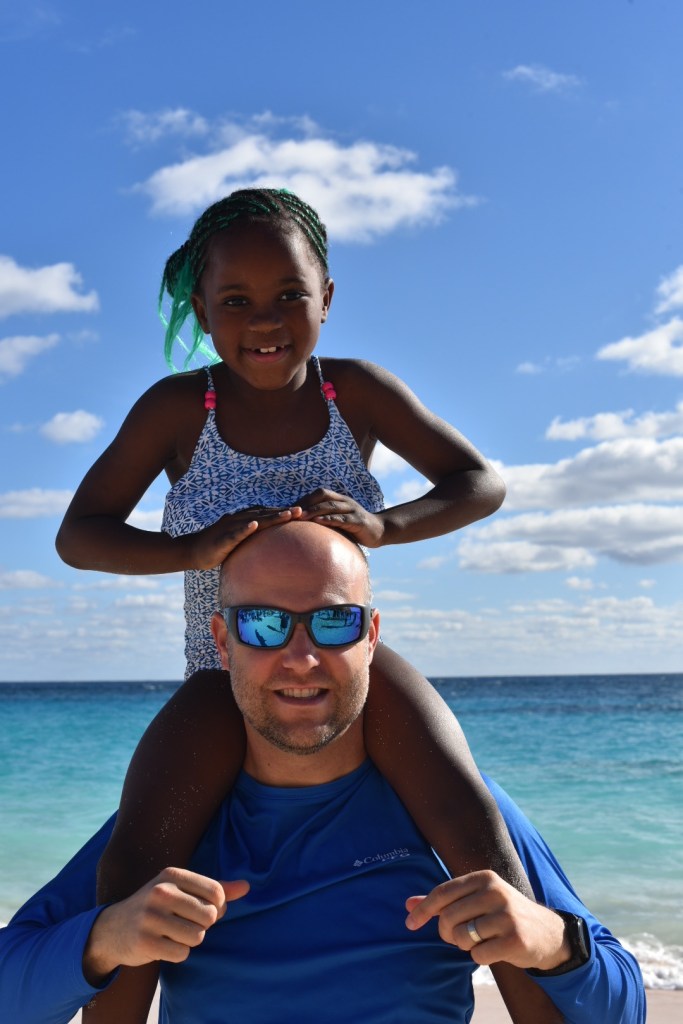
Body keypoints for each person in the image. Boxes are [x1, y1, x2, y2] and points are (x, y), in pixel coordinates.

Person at [55, 187, 526, 1020]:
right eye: (235, 300)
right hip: (225, 674)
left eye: (288, 295)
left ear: (327, 298)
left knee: (469, 818)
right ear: (202, 309)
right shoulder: (178, 409)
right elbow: (79, 536)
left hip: (347, 663)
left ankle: (544, 996)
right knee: (136, 861)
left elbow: (478, 483)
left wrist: (384, 526)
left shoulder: (356, 394)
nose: (264, 320)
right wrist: (191, 551)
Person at [0, 523, 645, 1024]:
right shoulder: (178, 818)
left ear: (372, 636)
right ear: (222, 642)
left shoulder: (455, 816)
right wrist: (104, 940)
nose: (301, 658)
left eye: (335, 622)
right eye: (264, 625)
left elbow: (625, 1008)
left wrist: (556, 943)